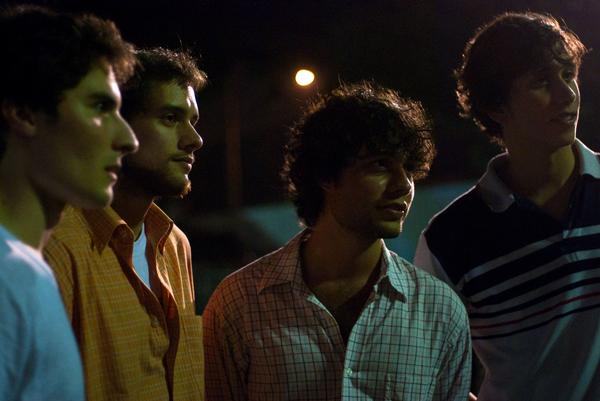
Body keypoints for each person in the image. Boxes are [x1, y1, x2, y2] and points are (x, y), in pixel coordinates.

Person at [203, 81, 471, 401]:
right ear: (326, 175)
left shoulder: (440, 310)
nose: (403, 185)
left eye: (409, 169)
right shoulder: (240, 302)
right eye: (380, 164)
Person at [414, 11, 599, 401]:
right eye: (541, 82)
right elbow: (422, 371)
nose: (567, 95)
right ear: (497, 107)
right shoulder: (450, 239)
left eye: (568, 74)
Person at [44, 48, 207, 401]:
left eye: (193, 121)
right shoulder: (58, 245)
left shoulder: (174, 244)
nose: (194, 139)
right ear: (116, 127)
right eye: (170, 117)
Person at [0, 5, 137, 401]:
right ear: (24, 112)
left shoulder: (24, 271)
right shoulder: (9, 278)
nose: (128, 140)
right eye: (99, 106)